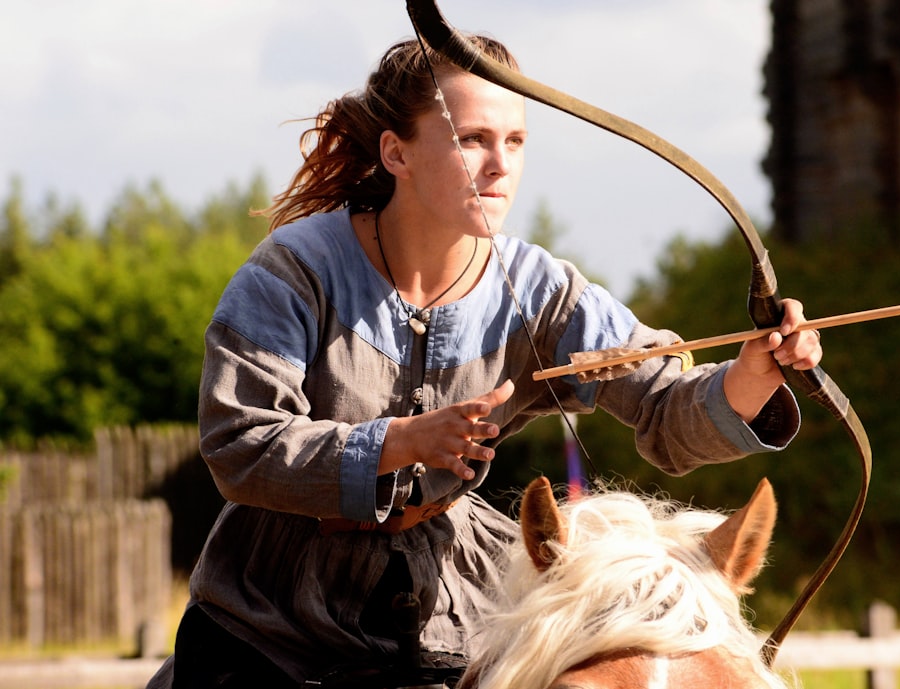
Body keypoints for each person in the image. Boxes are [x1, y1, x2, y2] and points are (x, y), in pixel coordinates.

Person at [147, 33, 822, 688]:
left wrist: (747, 380)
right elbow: (239, 444)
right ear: (396, 153)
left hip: (448, 613)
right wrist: (399, 443)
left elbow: (661, 403)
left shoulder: (540, 292)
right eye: (472, 139)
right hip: (271, 622)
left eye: (516, 141)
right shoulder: (295, 272)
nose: (500, 163)